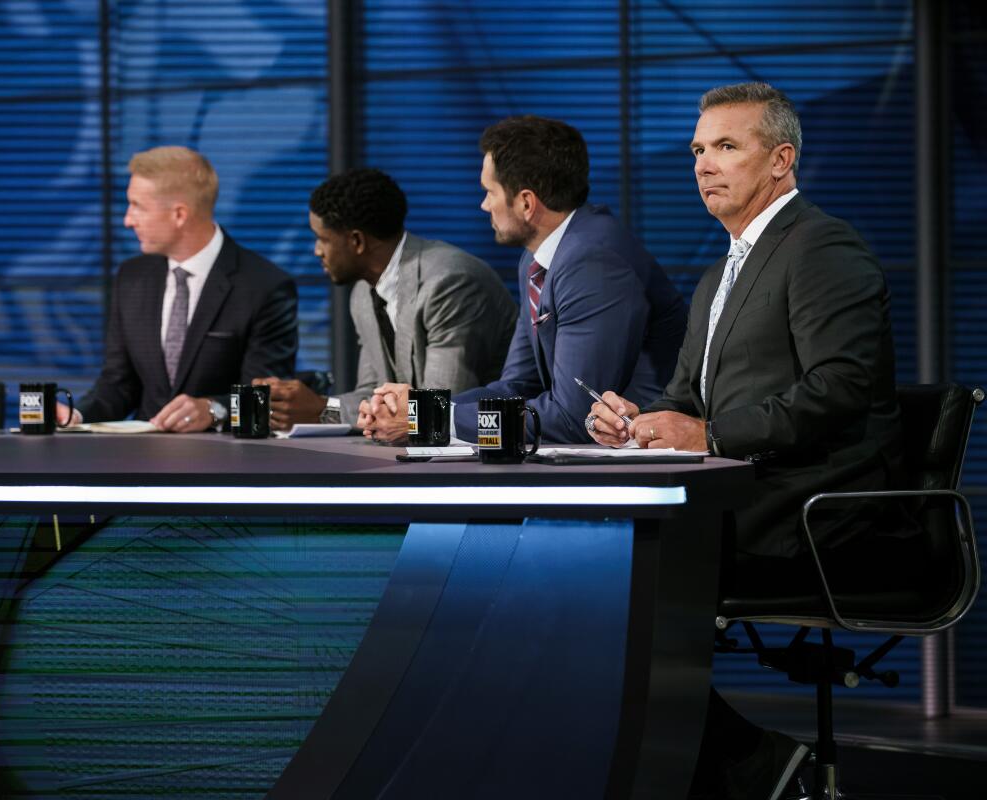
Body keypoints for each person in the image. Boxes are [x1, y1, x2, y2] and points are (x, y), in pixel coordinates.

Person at [587, 82, 907, 800]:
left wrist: (709, 433)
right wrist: (634, 424)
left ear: (781, 159)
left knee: (603, 574)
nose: (704, 164)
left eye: (727, 147)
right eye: (699, 149)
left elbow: (841, 386)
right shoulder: (716, 273)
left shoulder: (822, 245)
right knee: (581, 566)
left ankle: (741, 762)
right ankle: (737, 761)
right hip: (744, 494)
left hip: (816, 506)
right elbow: (683, 400)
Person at [365, 115, 686, 444]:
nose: (483, 204)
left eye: (490, 192)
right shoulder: (536, 260)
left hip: (643, 454)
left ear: (526, 203)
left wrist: (428, 420)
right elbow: (516, 387)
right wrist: (418, 407)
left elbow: (574, 418)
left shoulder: (592, 261)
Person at [256, 168, 515, 434]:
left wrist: (322, 409)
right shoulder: (362, 293)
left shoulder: (449, 283)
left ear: (356, 241)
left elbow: (440, 407)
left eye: (323, 239)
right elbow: (371, 395)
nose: (317, 251)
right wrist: (321, 408)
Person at [66, 146, 297, 432]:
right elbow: (118, 385)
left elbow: (268, 398)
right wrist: (74, 415)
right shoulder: (131, 277)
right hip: (142, 462)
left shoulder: (265, 286)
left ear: (179, 215)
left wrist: (215, 409)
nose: (128, 220)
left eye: (137, 206)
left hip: (226, 462)